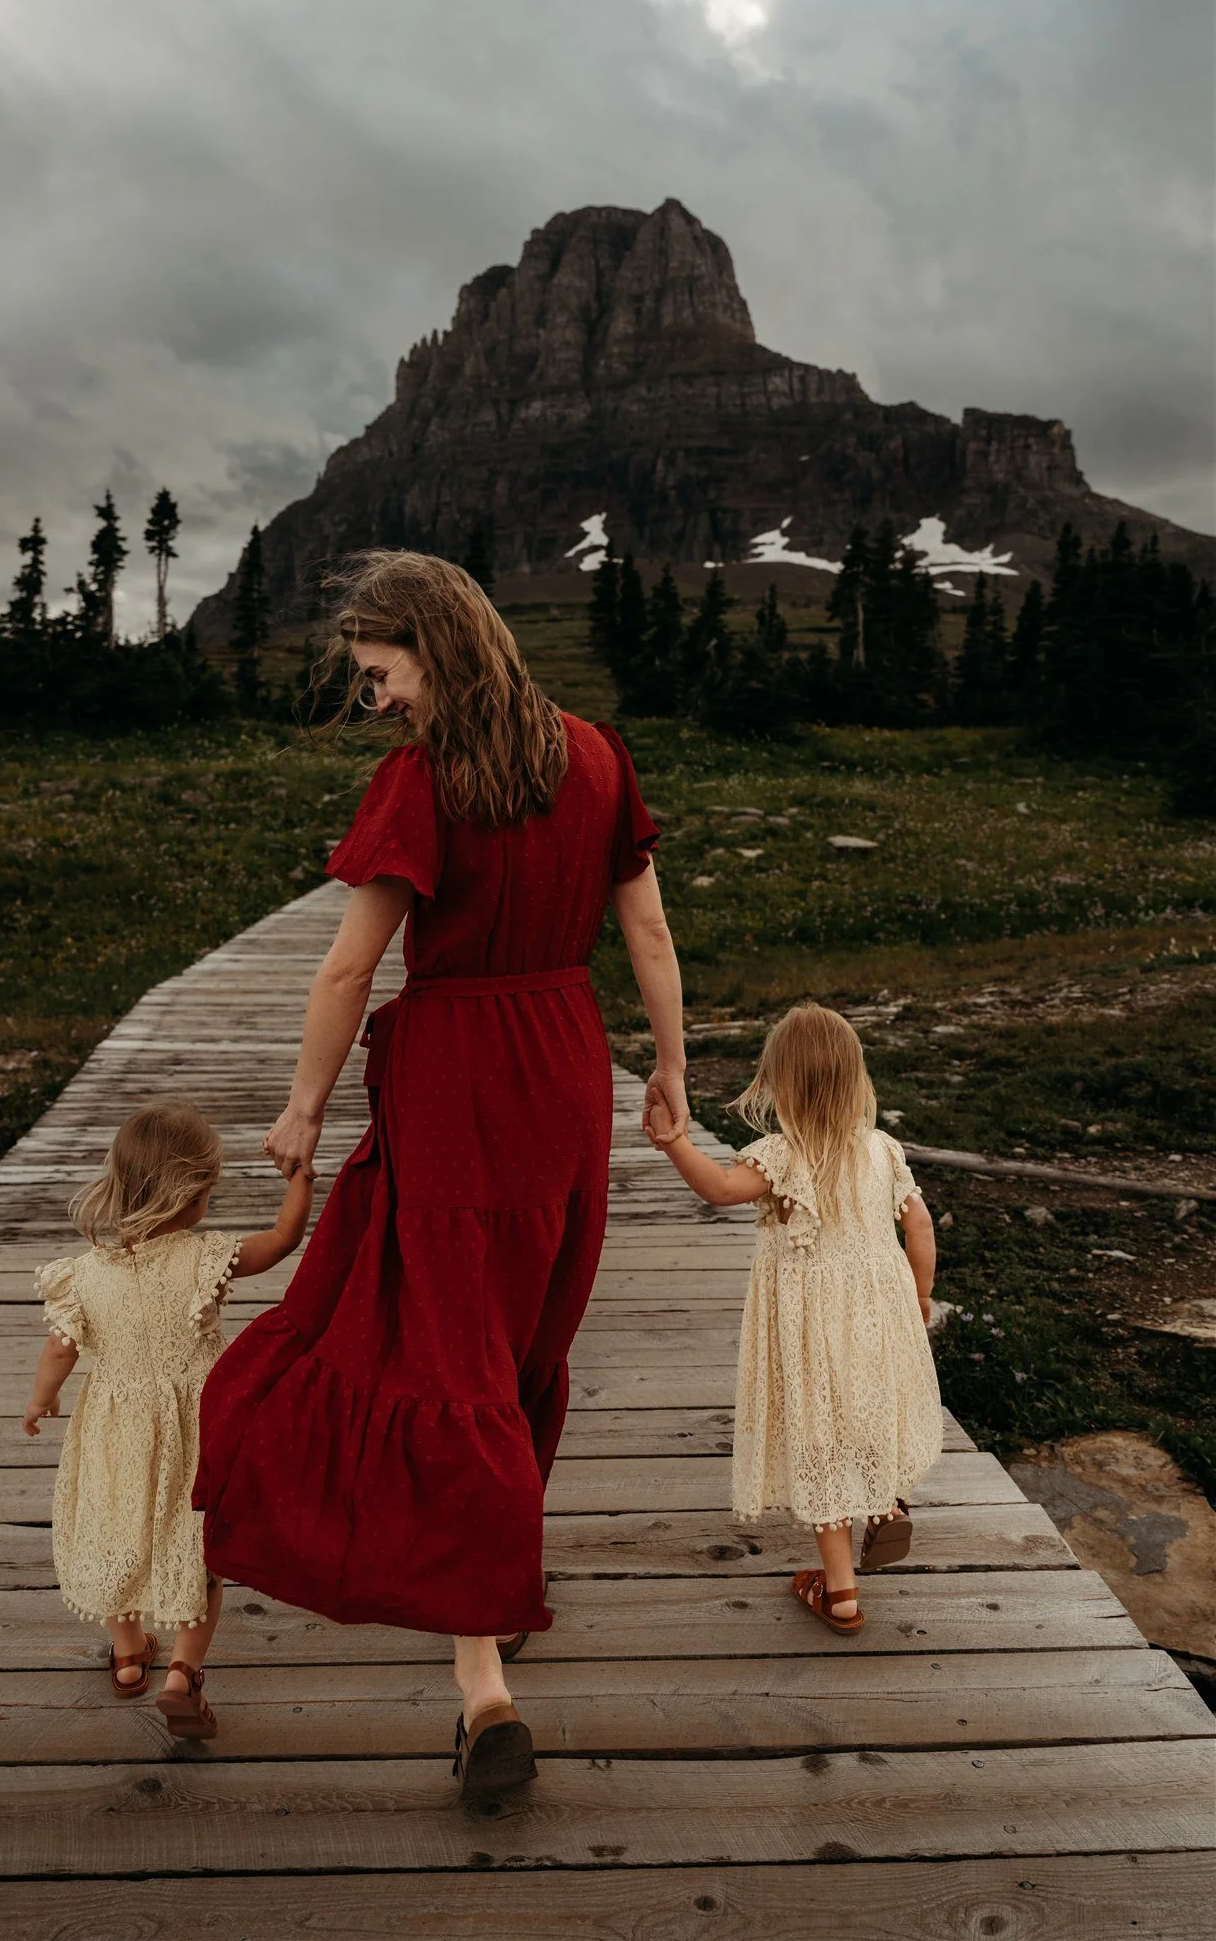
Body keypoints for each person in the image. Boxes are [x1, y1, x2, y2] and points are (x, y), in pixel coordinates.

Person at [193, 550, 688, 1799]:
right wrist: (671, 1070)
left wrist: (302, 1109)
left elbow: (347, 971)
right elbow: (648, 928)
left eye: (381, 673)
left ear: (435, 645)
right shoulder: (597, 755)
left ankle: (483, 1685)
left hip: (459, 1077)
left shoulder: (424, 781)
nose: (378, 701)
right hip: (565, 1066)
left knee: (445, 1350)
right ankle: (499, 1587)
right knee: (520, 1340)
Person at [23, 1100, 313, 1738]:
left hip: (114, 1428)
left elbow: (60, 1348)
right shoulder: (206, 1258)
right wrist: (301, 1179)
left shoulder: (83, 1273)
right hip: (200, 1425)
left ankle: (128, 1659)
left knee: (114, 1530)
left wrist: (42, 1399)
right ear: (193, 1193)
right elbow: (283, 1241)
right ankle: (183, 1672)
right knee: (195, 1546)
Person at [649, 1003, 941, 1634]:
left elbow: (721, 1190)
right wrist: (918, 1297)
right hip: (879, 1312)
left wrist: (675, 1142)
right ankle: (885, 1504)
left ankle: (841, 1592)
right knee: (869, 1409)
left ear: (778, 1081)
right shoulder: (883, 1150)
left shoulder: (782, 1155)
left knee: (819, 1435)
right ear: (856, 1080)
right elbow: (919, 1224)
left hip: (810, 1325)